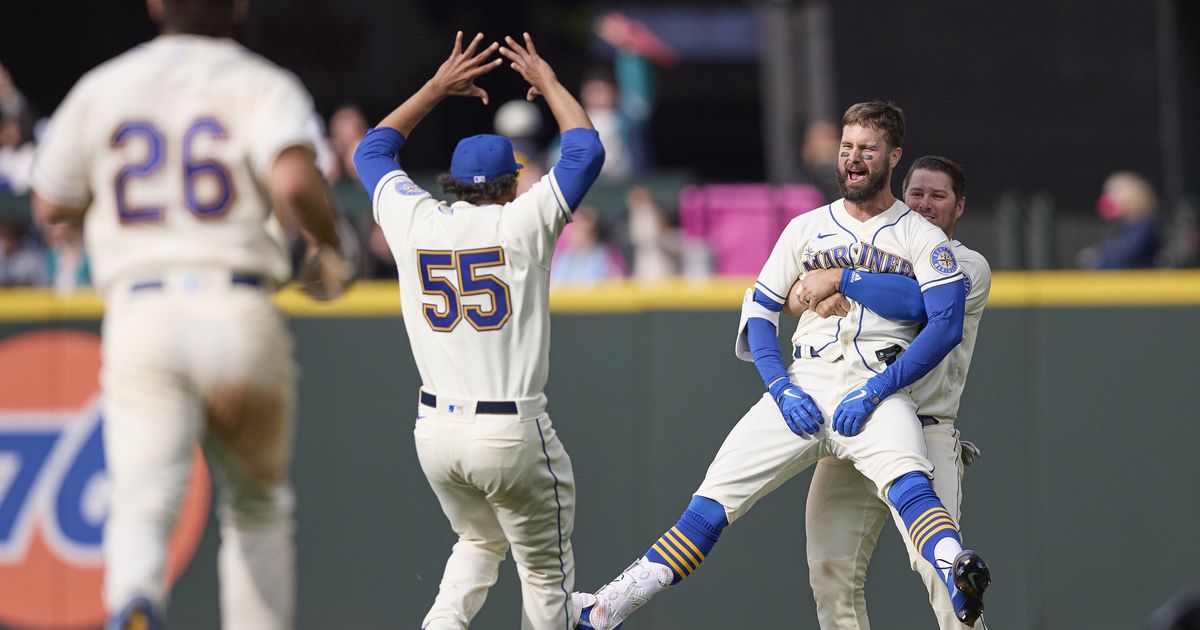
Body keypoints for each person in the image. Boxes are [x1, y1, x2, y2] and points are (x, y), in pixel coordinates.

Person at [574, 101, 990, 629]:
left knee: (917, 501)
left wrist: (840, 281)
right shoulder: (805, 228)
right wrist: (779, 385)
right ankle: (607, 607)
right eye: (847, 149)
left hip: (885, 392)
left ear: (893, 157)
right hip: (807, 382)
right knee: (719, 501)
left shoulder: (932, 243)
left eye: (868, 150)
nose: (855, 159)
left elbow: (938, 318)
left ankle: (958, 567)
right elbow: (760, 311)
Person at [30, 0, 346, 627]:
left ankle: (136, 599)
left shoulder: (105, 85)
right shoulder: (261, 82)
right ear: (238, 6)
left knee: (143, 501)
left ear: (155, 6)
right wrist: (327, 242)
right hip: (238, 302)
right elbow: (291, 182)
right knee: (256, 508)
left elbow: (50, 205)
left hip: (143, 309)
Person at [351, 32, 604, 629]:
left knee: (479, 542)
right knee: (546, 578)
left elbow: (372, 153)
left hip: (436, 432)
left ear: (451, 182)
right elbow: (585, 151)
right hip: (508, 428)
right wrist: (550, 83)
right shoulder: (522, 222)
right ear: (511, 182)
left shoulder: (414, 219)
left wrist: (435, 88)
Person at [790, 156, 992, 630]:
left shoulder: (967, 264)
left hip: (924, 429)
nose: (924, 204)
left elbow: (927, 310)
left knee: (945, 573)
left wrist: (841, 278)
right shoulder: (871, 248)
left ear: (959, 206)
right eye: (916, 194)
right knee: (830, 573)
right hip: (853, 430)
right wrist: (813, 285)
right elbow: (791, 288)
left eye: (938, 196)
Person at [1077, 171, 1161, 269]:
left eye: (1115, 192)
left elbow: (1127, 255)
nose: (1109, 198)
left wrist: (1098, 257)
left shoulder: (1145, 225)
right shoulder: (1123, 226)